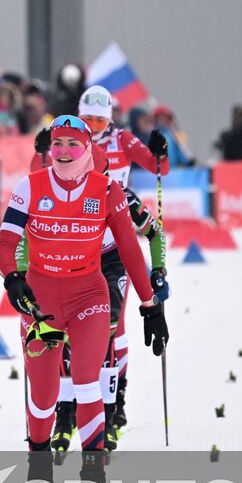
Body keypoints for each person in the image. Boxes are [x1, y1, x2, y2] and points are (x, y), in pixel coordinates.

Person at [0, 115, 167, 483]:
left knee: (88, 381)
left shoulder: (108, 191)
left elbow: (130, 250)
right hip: (41, 299)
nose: (64, 152)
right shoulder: (30, 187)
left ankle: (94, 472)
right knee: (44, 399)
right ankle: (38, 464)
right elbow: (6, 244)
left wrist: (150, 304)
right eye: (58, 144)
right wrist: (13, 278)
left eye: (73, 144)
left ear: (88, 149)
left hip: (90, 294)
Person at [73, 85, 168, 440]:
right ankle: (69, 410)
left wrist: (161, 151)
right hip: (80, 250)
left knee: (114, 329)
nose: (94, 127)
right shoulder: (69, 137)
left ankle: (114, 406)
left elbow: (162, 169)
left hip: (116, 239)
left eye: (100, 120)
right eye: (88, 120)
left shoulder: (124, 142)